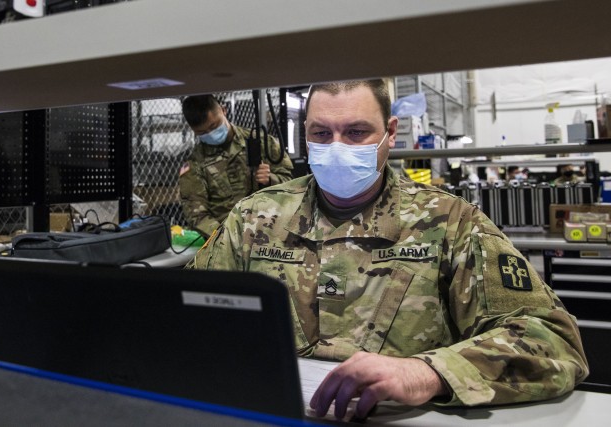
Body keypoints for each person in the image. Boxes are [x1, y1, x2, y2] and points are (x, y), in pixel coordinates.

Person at [190, 80, 588, 420]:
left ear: (390, 132)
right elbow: (181, 313)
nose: (337, 146)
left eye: (357, 132)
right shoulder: (254, 218)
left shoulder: (449, 222)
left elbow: (552, 339)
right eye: (321, 134)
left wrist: (427, 372)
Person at [179, 95, 295, 237]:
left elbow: (293, 187)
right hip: (227, 242)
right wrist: (227, 238)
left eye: (214, 126)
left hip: (273, 232)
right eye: (202, 133)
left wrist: (270, 179)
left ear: (223, 110)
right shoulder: (195, 164)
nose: (210, 134)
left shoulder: (262, 143)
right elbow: (196, 214)